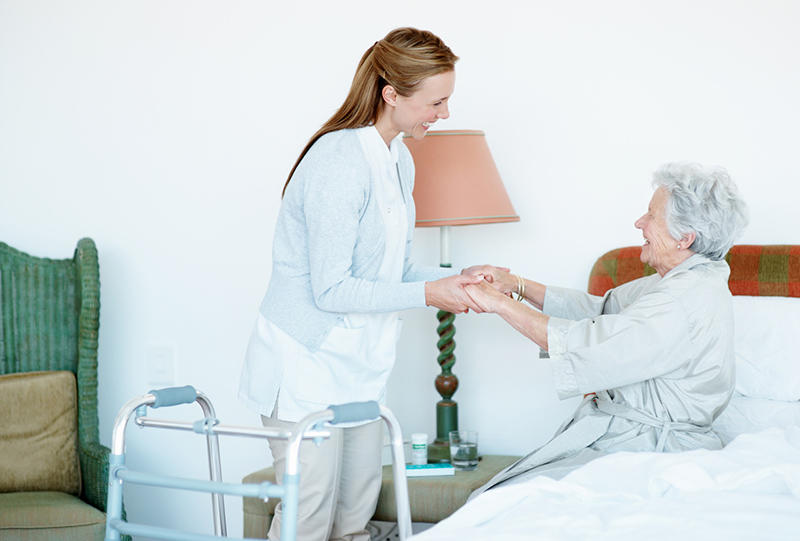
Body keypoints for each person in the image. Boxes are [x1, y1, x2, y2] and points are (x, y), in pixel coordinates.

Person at [238, 28, 502, 541]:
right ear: (391, 94)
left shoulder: (398, 160)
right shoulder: (338, 161)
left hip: (356, 370)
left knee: (355, 516)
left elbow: (394, 274)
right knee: (307, 518)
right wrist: (432, 294)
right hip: (305, 364)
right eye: (436, 102)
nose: (443, 114)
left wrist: (456, 278)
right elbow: (333, 290)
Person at [464, 162, 749, 498]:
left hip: (650, 450)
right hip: (629, 439)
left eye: (651, 216)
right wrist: (516, 285)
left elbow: (590, 345)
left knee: (499, 499)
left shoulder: (680, 300)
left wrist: (497, 303)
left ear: (684, 238)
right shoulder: (690, 278)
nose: (639, 223)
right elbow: (601, 311)